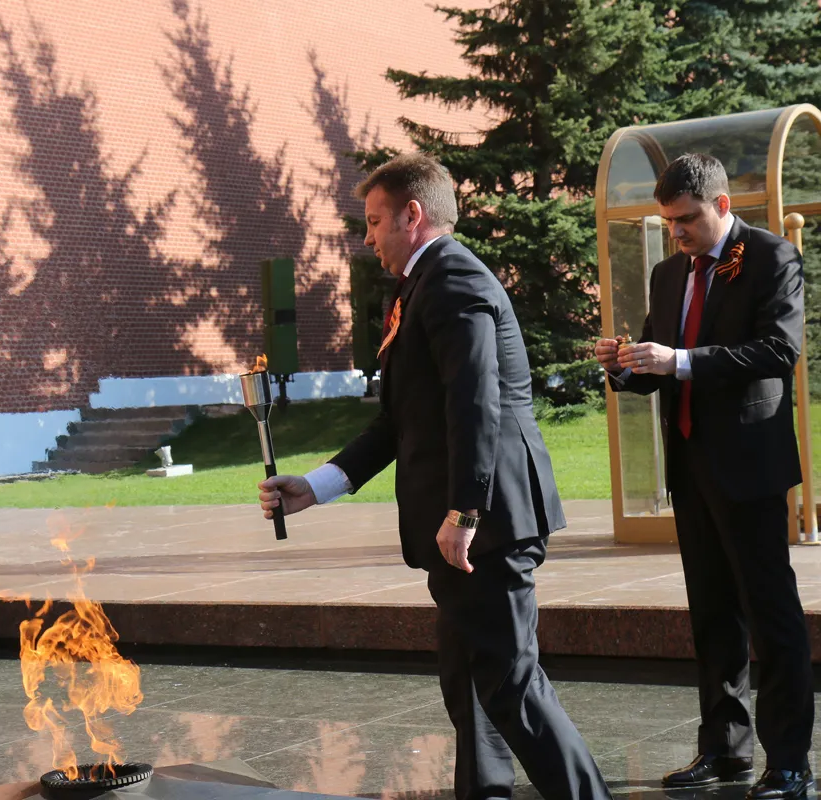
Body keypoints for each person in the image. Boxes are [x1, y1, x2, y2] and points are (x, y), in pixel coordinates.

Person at [259, 152, 611, 800]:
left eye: (374, 222)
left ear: (412, 215)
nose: (368, 239)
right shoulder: (419, 286)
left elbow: (476, 404)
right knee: (469, 684)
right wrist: (317, 486)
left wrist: (464, 511)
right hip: (467, 525)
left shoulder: (453, 279)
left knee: (511, 685)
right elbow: (400, 422)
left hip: (488, 523)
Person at [595, 153, 814, 800]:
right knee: (712, 615)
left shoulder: (772, 257)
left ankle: (789, 762)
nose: (676, 232)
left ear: (722, 205)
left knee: (770, 616)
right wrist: (625, 364)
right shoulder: (669, 273)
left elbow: (779, 350)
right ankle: (723, 750)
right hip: (690, 466)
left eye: (686, 219)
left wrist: (681, 360)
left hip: (749, 466)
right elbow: (656, 364)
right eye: (668, 221)